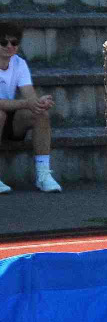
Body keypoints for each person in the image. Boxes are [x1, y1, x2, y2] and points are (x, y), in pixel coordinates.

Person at [0, 24, 62, 194]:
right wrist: (27, 103)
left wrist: (39, 103)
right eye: (3, 42)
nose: (9, 46)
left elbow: (29, 96)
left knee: (40, 114)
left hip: (10, 120)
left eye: (14, 43)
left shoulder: (19, 63)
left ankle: (43, 175)